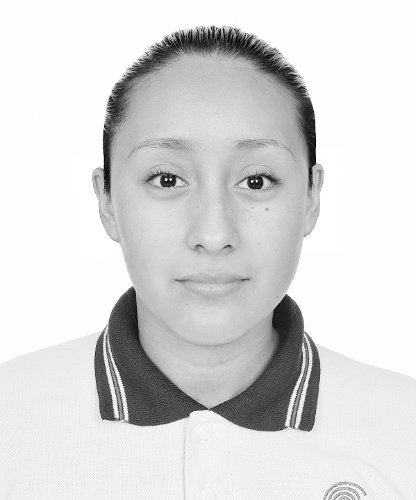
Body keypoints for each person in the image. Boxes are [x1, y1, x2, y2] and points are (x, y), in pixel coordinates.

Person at [1, 25, 415, 500]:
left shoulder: (404, 431)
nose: (214, 235)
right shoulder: (10, 422)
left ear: (311, 197)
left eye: (257, 181)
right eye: (166, 179)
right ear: (107, 201)